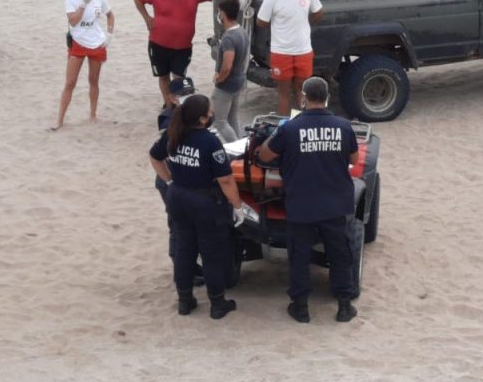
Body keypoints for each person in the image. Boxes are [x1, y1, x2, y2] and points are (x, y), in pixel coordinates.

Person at [257, 76, 359, 323]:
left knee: (299, 257)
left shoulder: (290, 128)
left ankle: (300, 307)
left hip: (301, 203)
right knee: (340, 255)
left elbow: (265, 154)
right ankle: (344, 305)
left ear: (303, 98)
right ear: (327, 98)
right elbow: (354, 160)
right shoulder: (344, 126)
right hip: (335, 202)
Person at [149, 94, 250, 319]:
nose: (213, 114)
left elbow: (155, 157)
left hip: (178, 198)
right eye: (210, 112)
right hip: (204, 203)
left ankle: (185, 301)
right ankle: (217, 303)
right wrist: (237, 206)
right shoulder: (209, 142)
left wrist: (170, 181)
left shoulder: (174, 133)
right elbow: (225, 180)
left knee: (184, 250)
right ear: (203, 119)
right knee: (212, 253)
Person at [133, 0, 246, 109]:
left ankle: (179, 104)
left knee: (179, 77)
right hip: (158, 44)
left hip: (183, 47)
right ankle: (169, 105)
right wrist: (147, 18)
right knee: (163, 77)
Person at [256, 0, 323, 116]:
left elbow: (319, 12)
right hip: (281, 52)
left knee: (302, 90)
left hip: (303, 50)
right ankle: (284, 126)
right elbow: (261, 21)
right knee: (283, 92)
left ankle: (303, 123)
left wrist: (305, 23)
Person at [155, 76, 204, 287]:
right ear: (172, 98)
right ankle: (182, 270)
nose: (187, 97)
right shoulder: (169, 119)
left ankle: (190, 267)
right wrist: (170, 181)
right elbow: (161, 154)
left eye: (190, 92)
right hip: (172, 178)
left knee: (188, 227)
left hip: (183, 178)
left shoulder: (191, 114)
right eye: (183, 95)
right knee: (178, 227)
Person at [52, 0, 114, 130]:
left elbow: (110, 15)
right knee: (70, 82)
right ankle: (59, 120)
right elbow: (73, 21)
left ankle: (93, 115)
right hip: (78, 43)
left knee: (93, 81)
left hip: (97, 43)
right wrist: (83, 3)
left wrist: (109, 35)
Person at [211, 0, 250, 142]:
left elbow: (227, 65)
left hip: (226, 85)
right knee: (232, 117)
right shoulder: (242, 31)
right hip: (238, 81)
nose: (219, 15)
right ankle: (241, 144)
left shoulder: (228, 38)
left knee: (219, 122)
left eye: (219, 12)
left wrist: (219, 78)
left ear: (223, 14)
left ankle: (238, 149)